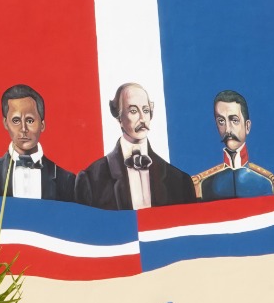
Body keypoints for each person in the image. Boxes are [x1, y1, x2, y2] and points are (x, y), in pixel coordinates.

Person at [74, 82, 194, 210]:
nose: (142, 118)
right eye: (133, 111)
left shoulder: (180, 181)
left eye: (146, 110)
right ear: (119, 118)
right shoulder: (90, 181)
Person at [0, 84, 78, 201]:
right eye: (16, 120)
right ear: (5, 123)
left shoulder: (66, 181)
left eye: (30, 120)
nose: (23, 129)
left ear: (42, 125)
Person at [190, 90, 274, 200]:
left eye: (234, 120)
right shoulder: (202, 184)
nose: (228, 129)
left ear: (247, 127)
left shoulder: (270, 184)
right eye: (221, 121)